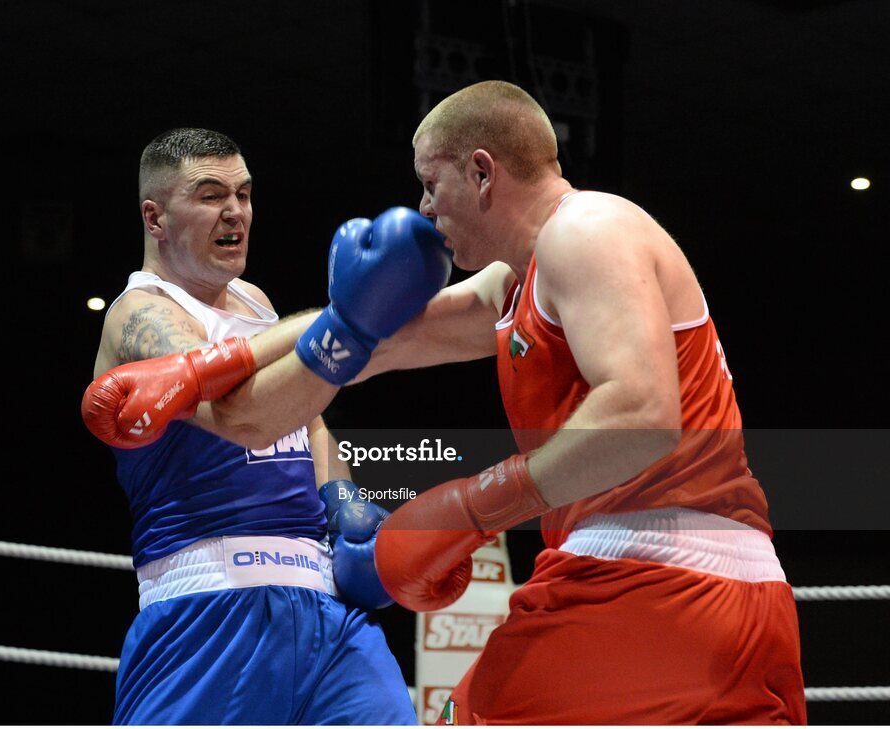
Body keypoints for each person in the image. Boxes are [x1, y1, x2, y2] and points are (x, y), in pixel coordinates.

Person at [85, 79, 807, 723]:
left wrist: (474, 507)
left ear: (482, 173)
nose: (424, 208)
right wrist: (218, 362)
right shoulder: (514, 282)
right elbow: (376, 339)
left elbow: (642, 415)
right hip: (743, 597)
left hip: (641, 573)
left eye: (430, 184)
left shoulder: (586, 231)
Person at [82, 127, 449, 725]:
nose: (235, 212)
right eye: (209, 195)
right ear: (155, 218)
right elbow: (238, 407)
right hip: (208, 607)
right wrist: (346, 315)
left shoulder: (254, 304)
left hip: (325, 605)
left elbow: (307, 414)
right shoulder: (138, 316)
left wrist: (343, 497)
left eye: (244, 194)